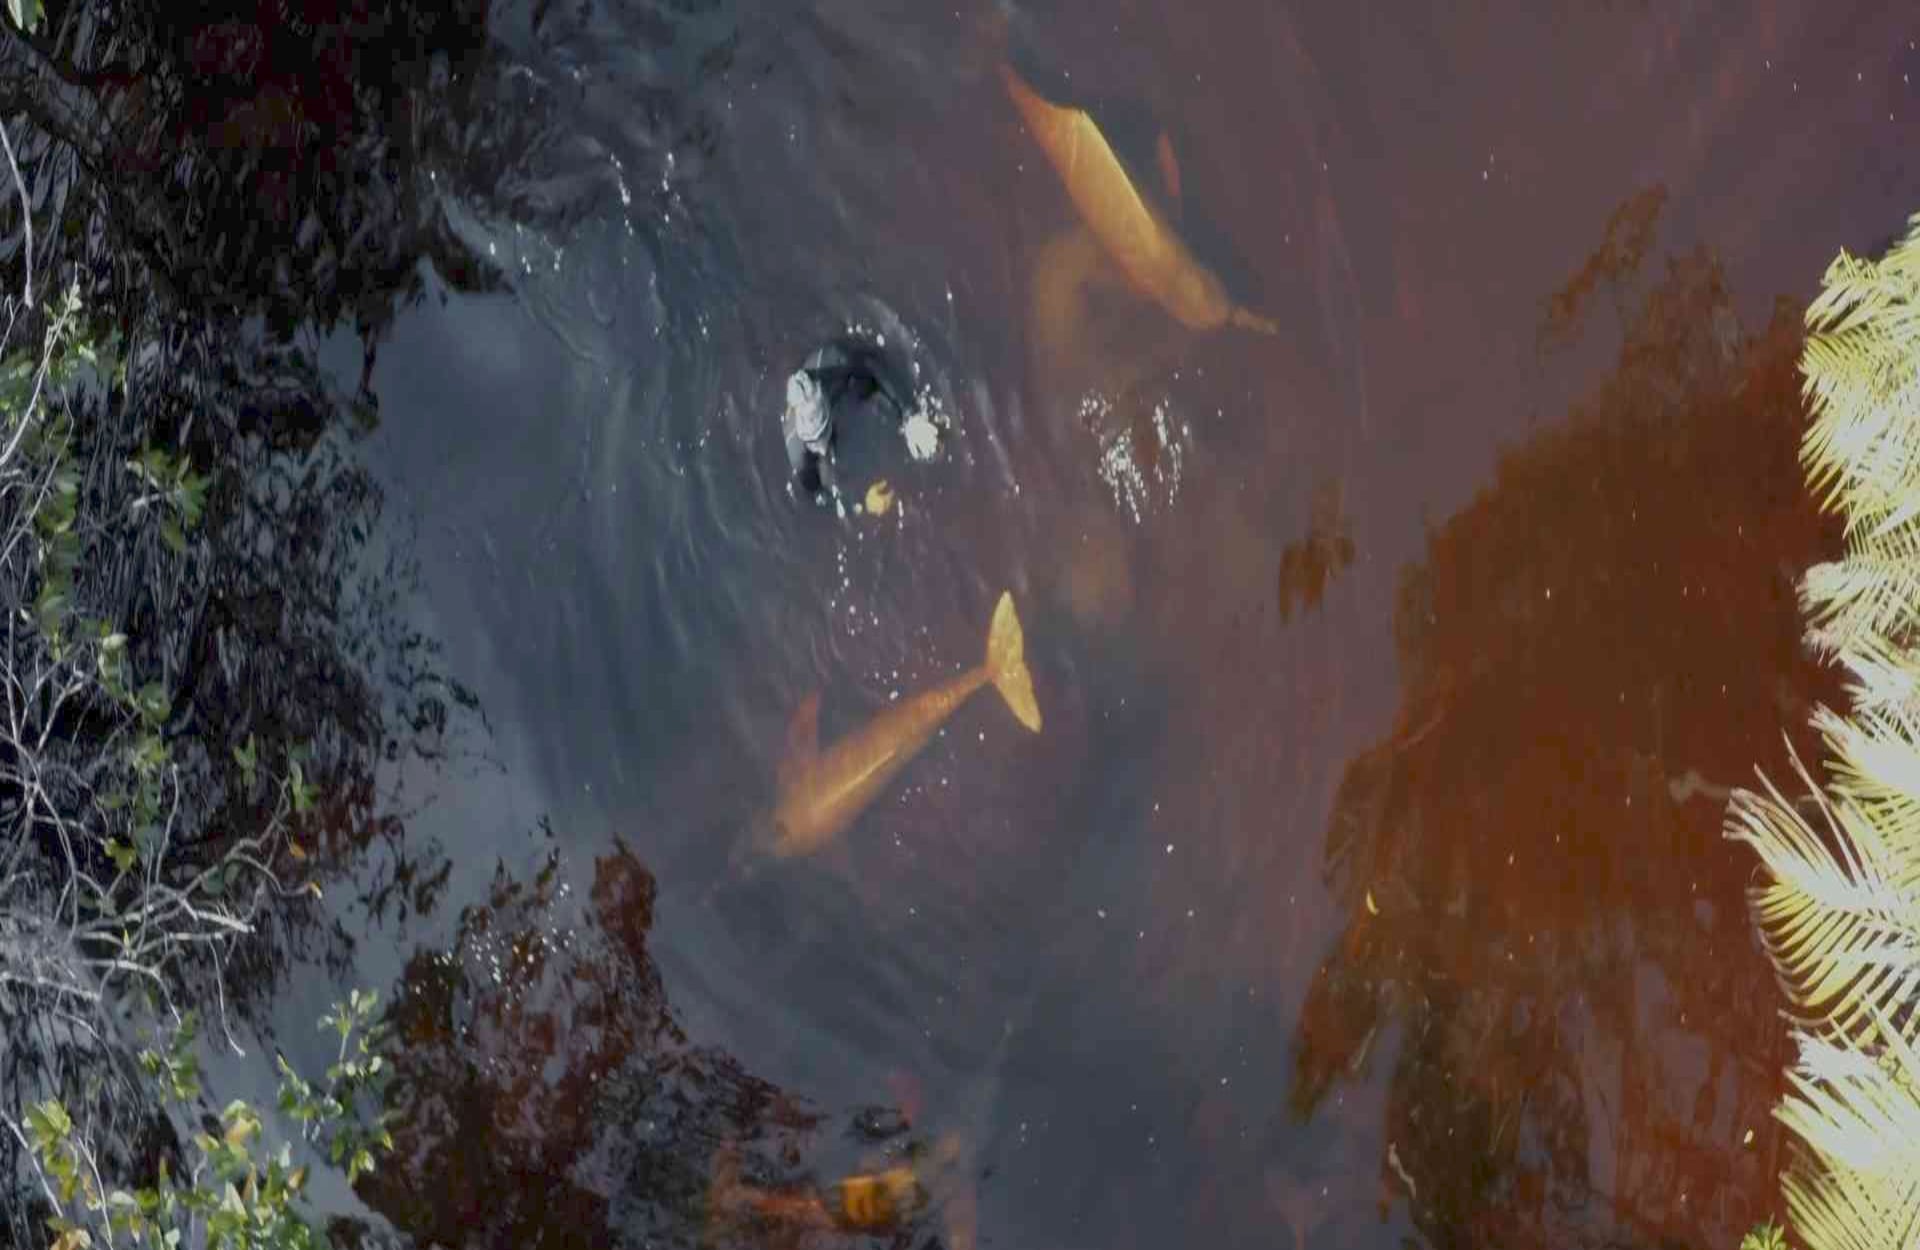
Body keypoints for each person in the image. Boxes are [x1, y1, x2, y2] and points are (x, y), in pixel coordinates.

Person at [781, 338, 912, 501]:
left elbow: (872, 364)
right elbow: (821, 493)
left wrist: (909, 416)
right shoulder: (797, 450)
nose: (822, 450)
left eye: (824, 433)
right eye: (814, 442)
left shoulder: (834, 361)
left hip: (845, 387)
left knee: (863, 383)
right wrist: (862, 500)